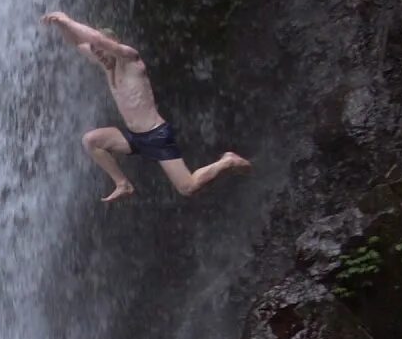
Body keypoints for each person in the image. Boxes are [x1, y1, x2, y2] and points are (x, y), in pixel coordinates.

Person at [41, 11, 251, 202]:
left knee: (188, 187)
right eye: (96, 54)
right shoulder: (107, 64)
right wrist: (61, 25)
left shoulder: (130, 59)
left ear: (112, 45)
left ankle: (227, 161)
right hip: (134, 137)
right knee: (91, 141)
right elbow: (77, 43)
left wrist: (67, 19)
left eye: (102, 52)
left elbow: (96, 39)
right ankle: (123, 184)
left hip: (156, 134)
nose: (99, 57)